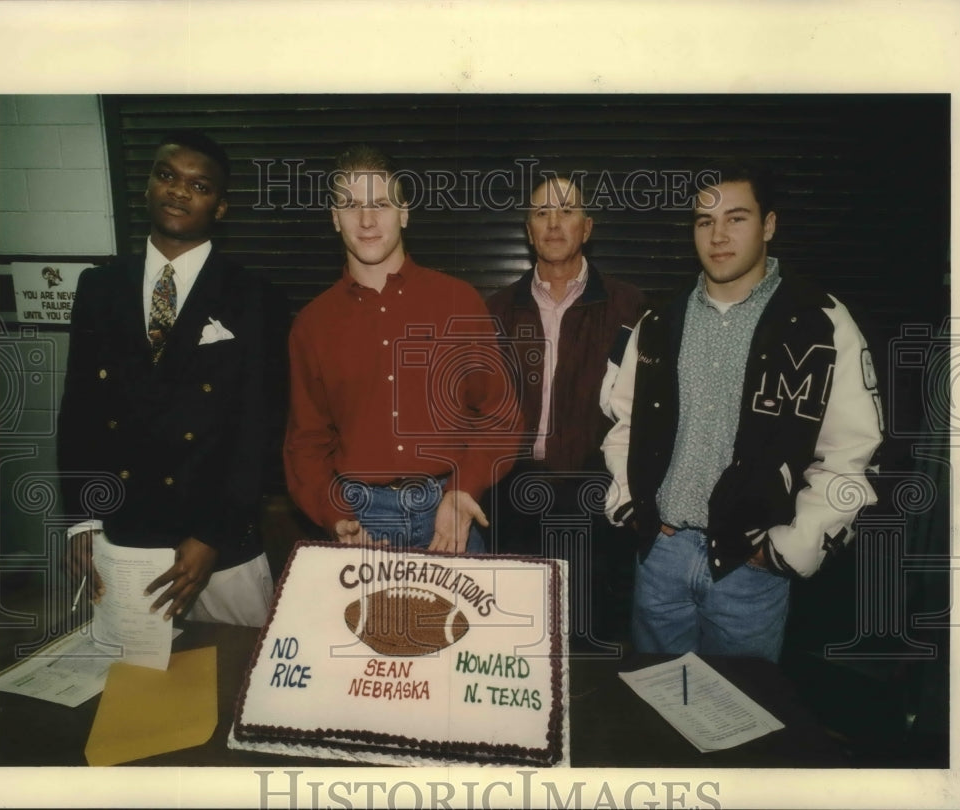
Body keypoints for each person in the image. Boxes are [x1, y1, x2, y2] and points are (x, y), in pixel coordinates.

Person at [601, 163, 883, 661]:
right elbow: (623, 422)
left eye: (736, 218)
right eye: (704, 221)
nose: (718, 236)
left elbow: (852, 452)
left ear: (768, 225)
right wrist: (631, 504)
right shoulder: (659, 321)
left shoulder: (819, 322)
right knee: (654, 701)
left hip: (749, 571)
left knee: (742, 708)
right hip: (660, 558)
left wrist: (790, 548)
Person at [58, 130, 285, 626]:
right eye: (167, 176)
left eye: (199, 186)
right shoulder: (99, 287)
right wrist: (80, 520)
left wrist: (213, 533)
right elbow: (79, 414)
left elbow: (260, 429)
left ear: (220, 207)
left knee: (242, 667)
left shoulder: (254, 295)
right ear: (147, 187)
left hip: (220, 542)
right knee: (134, 670)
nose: (179, 191)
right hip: (125, 532)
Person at [284, 145, 521, 553]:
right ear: (335, 218)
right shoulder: (311, 324)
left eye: (381, 204)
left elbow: (500, 414)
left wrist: (465, 488)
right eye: (351, 205)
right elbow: (306, 442)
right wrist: (334, 514)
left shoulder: (459, 302)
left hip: (449, 511)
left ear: (404, 213)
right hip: (360, 519)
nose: (367, 220)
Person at [487, 173, 647, 643]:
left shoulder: (630, 307)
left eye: (566, 211)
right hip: (512, 499)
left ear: (587, 227)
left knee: (591, 639)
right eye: (541, 213)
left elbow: (647, 412)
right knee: (514, 637)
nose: (554, 223)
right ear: (528, 230)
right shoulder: (496, 311)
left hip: (597, 498)